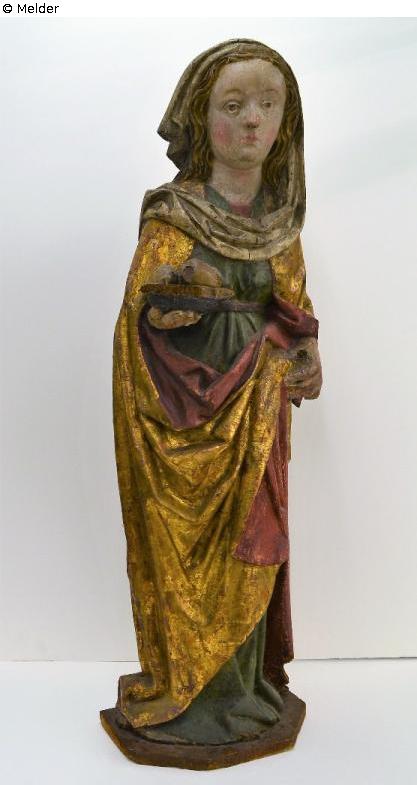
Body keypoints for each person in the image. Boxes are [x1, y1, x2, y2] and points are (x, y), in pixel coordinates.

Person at [111, 38, 322, 746]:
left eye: (267, 104)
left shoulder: (280, 223)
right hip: (182, 429)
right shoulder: (174, 216)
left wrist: (305, 357)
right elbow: (142, 320)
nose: (252, 120)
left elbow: (294, 311)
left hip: (255, 430)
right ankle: (189, 696)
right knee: (187, 562)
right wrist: (173, 310)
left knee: (252, 550)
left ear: (287, 121)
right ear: (202, 119)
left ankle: (242, 693)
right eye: (232, 106)